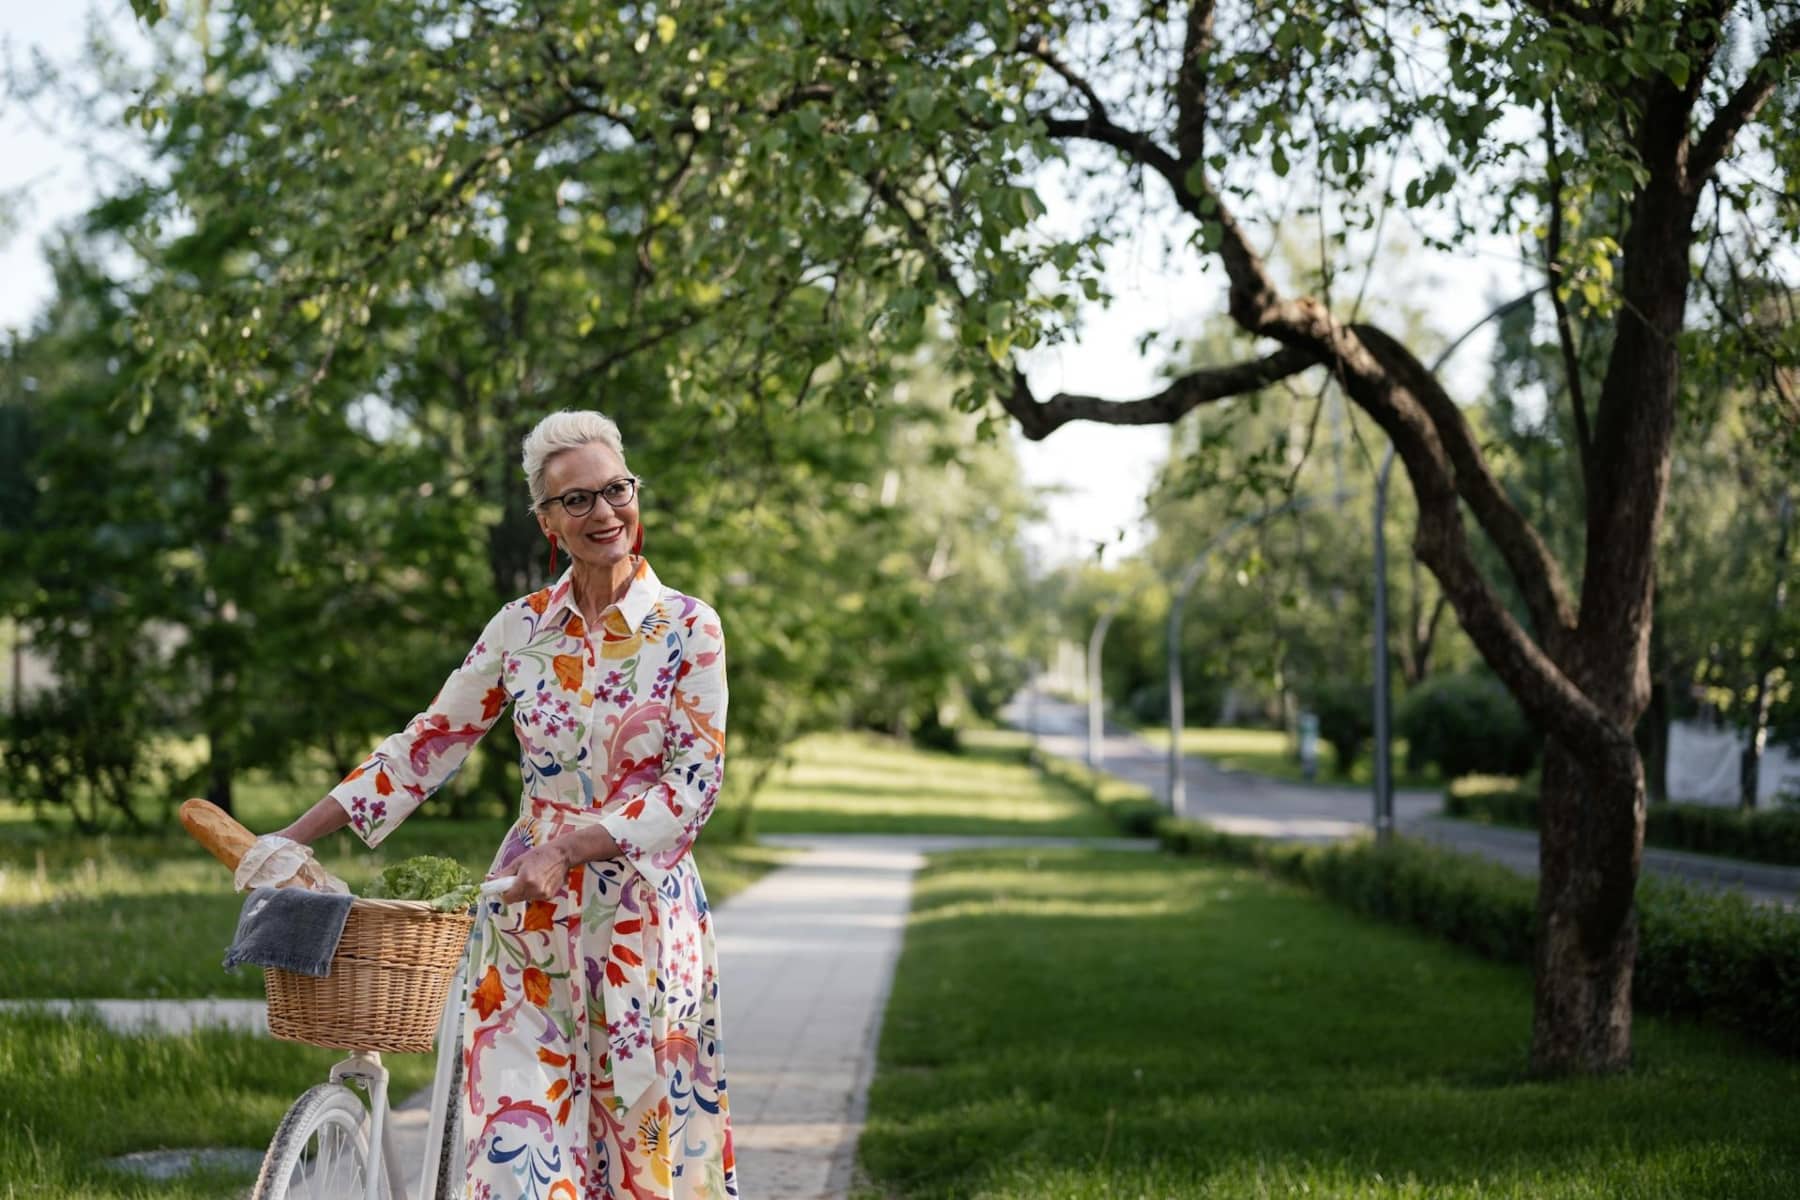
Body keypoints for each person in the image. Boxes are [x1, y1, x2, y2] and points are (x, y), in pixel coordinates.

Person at [264, 410, 738, 1199]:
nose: (603, 512)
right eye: (577, 500)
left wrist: (570, 847)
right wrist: (290, 837)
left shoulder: (690, 627)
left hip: (643, 927)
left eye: (615, 490)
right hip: (528, 925)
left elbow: (692, 786)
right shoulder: (521, 629)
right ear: (547, 521)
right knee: (518, 1161)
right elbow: (428, 744)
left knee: (641, 1165)